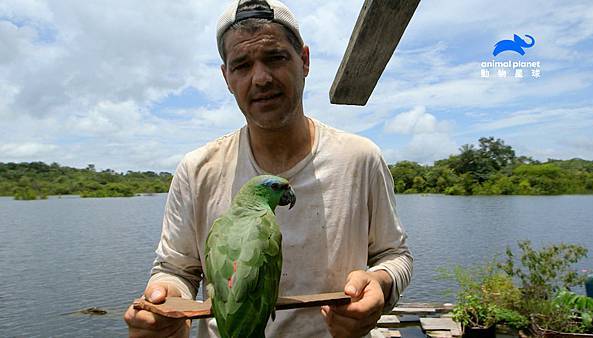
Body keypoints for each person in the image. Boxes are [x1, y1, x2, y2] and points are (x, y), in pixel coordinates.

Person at [123, 0, 413, 337]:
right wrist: (165, 302)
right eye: (242, 65)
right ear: (226, 78)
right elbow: (176, 270)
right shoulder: (196, 169)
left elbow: (395, 255)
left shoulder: (360, 158)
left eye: (275, 58)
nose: (260, 78)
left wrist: (380, 283)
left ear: (304, 60)